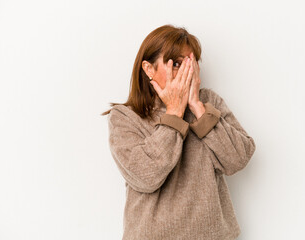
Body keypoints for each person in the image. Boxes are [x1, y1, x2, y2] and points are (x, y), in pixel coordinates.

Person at [102, 24, 256, 240]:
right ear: (148, 69)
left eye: (190, 64)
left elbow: (238, 159)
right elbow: (146, 177)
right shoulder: (125, 117)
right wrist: (174, 111)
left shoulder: (209, 102)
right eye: (175, 64)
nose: (186, 72)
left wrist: (197, 108)